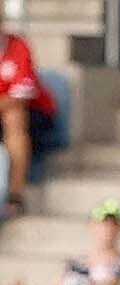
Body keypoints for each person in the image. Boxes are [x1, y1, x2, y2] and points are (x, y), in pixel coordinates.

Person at [0, 28, 61, 223]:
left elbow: (21, 96)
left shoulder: (17, 45)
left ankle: (15, 195)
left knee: (14, 117)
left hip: (35, 114)